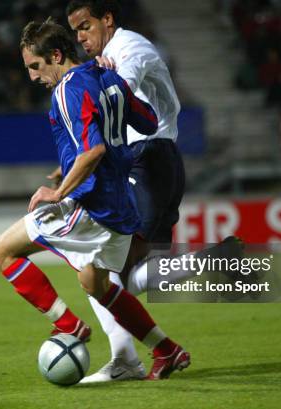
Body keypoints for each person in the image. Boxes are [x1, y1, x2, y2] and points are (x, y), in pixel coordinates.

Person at [0, 18, 190, 381]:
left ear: (55, 54)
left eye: (35, 66)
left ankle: (69, 326)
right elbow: (146, 122)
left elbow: (93, 148)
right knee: (96, 284)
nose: (33, 77)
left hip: (88, 205)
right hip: (120, 209)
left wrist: (59, 191)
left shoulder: (66, 90)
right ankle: (165, 350)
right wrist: (112, 93)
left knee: (1, 251)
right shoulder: (106, 77)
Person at [64, 0, 186, 382]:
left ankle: (125, 359)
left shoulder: (128, 49)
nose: (81, 37)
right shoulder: (114, 53)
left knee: (98, 269)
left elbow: (120, 92)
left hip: (144, 157)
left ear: (108, 19)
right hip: (155, 158)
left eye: (85, 26)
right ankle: (211, 264)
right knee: (134, 275)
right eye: (76, 31)